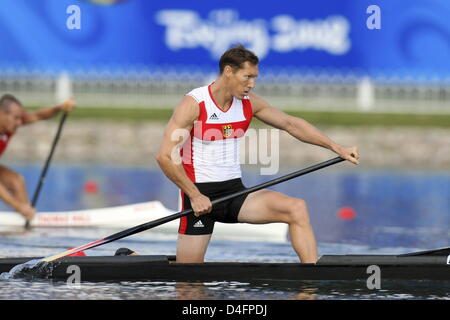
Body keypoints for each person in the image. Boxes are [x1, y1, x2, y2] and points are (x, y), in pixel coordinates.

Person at [156, 45, 360, 263]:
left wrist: (336, 147)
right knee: (188, 283)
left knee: (296, 208)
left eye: (255, 78)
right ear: (228, 72)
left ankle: (311, 279)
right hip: (199, 199)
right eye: (247, 77)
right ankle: (132, 257)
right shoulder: (195, 104)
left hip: (235, 194)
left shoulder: (249, 103)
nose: (251, 84)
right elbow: (165, 157)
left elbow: (291, 124)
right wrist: (195, 196)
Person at [0, 94, 76, 222]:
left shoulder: (9, 125)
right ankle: (24, 213)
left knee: (16, 180)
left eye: (20, 118)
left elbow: (38, 115)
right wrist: (18, 207)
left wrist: (60, 107)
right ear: (1, 114)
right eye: (16, 118)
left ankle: (27, 223)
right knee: (18, 199)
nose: (19, 123)